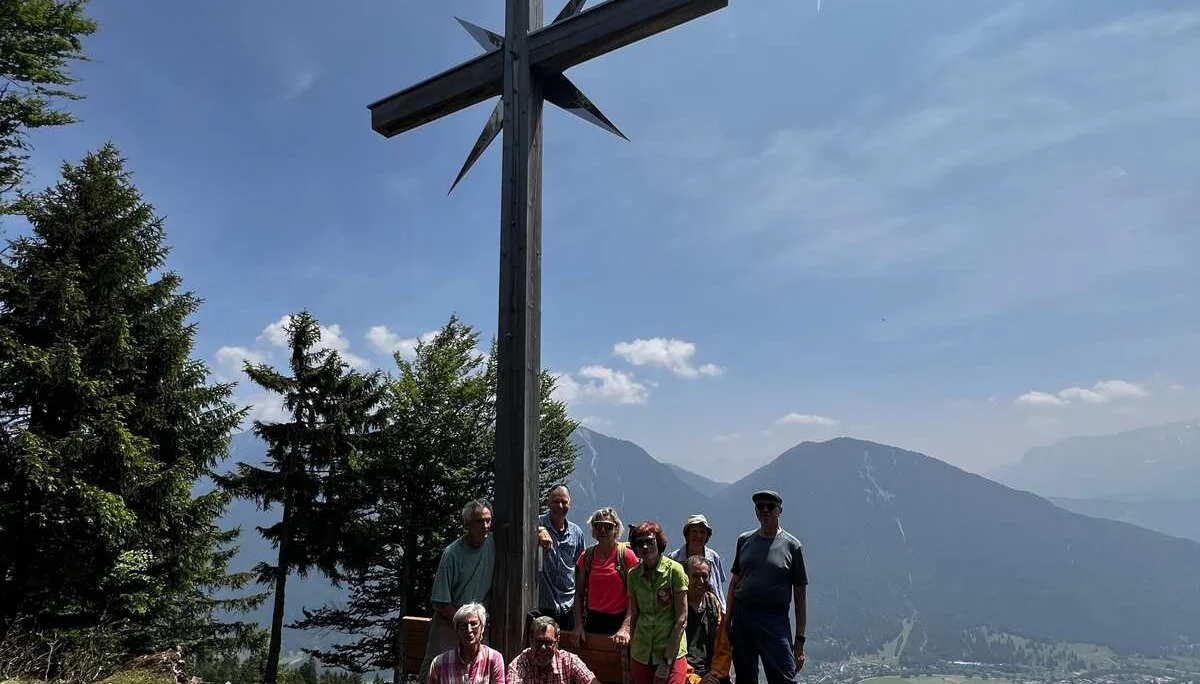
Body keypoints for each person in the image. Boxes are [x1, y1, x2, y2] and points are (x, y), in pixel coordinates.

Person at [726, 490, 808, 684]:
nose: (765, 510)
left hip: (774, 618)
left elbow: (800, 594)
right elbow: (735, 582)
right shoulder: (744, 540)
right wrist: (727, 622)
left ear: (780, 511)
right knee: (745, 676)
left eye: (770, 506)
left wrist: (800, 640)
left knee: (784, 677)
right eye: (760, 506)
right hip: (743, 615)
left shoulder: (792, 546)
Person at [419, 499, 497, 684]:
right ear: (468, 524)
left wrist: (541, 531)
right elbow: (440, 602)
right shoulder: (452, 553)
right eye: (479, 521)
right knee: (435, 672)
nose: (485, 526)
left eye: (488, 520)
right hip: (448, 623)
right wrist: (464, 622)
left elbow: (527, 526)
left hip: (475, 623)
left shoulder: (492, 543)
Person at [616, 521, 689, 684]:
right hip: (641, 653)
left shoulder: (674, 571)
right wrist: (630, 657)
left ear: (659, 542)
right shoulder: (633, 575)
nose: (645, 546)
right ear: (635, 547)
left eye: (650, 541)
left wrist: (666, 662)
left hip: (671, 651)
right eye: (640, 543)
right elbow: (634, 616)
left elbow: (681, 620)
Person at [571, 507, 640, 643]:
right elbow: (579, 594)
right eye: (598, 526)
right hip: (592, 621)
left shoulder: (626, 556)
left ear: (616, 529)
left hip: (619, 621)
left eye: (608, 526)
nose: (602, 530)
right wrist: (578, 625)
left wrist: (625, 628)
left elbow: (635, 596)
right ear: (593, 530)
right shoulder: (587, 556)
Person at [535, 485, 586, 631]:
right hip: (543, 604)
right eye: (556, 501)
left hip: (568, 606)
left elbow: (580, 569)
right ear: (548, 503)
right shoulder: (536, 523)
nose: (560, 505)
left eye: (564, 502)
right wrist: (539, 530)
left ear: (570, 504)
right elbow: (518, 528)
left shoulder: (577, 533)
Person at [427, 603, 506, 684]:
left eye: (473, 624)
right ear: (456, 630)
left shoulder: (494, 659)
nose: (469, 630)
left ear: (482, 628)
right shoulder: (439, 663)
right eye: (464, 625)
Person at [681, 556, 731, 684]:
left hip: (710, 672)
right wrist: (695, 680)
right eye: (695, 576)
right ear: (685, 577)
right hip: (683, 672)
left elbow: (722, 646)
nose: (701, 581)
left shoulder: (713, 604)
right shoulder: (677, 605)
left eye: (704, 576)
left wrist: (715, 674)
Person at [508, 615, 600, 684]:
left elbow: (591, 681)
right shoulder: (519, 665)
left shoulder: (569, 661)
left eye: (548, 643)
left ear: (557, 642)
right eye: (538, 642)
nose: (543, 648)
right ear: (531, 641)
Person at [666, 514, 728, 610]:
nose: (698, 535)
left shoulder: (713, 557)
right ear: (687, 534)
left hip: (710, 610)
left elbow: (718, 587)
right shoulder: (674, 558)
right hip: (680, 609)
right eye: (694, 531)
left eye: (702, 532)